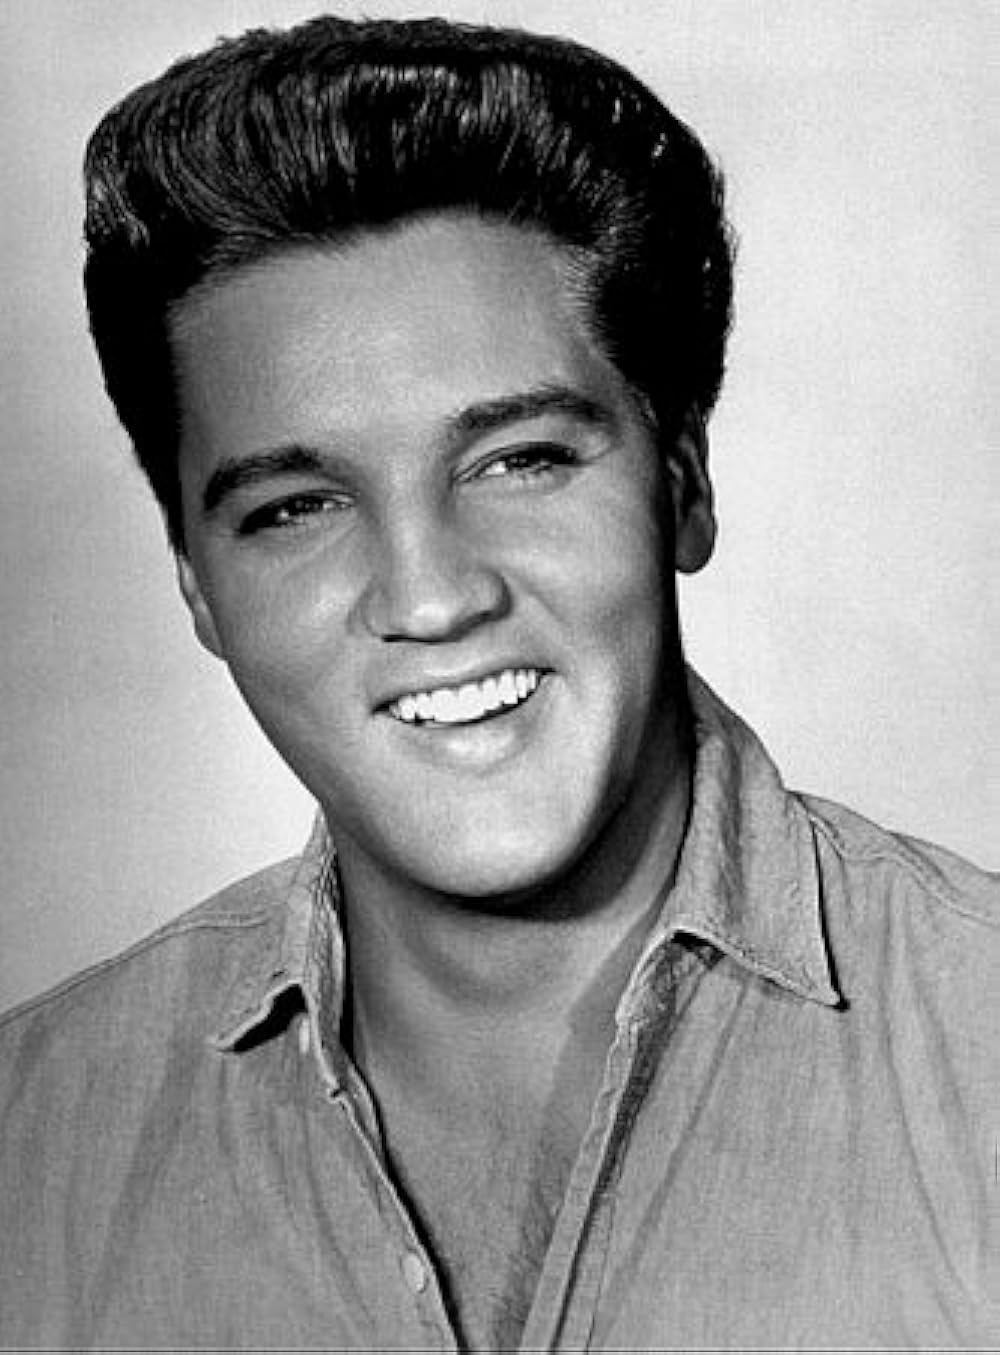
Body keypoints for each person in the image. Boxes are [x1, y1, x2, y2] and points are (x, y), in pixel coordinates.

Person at [1, 14, 996, 1350]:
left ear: (683, 481)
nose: (430, 598)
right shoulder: (29, 1145)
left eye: (521, 460)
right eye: (296, 507)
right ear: (196, 582)